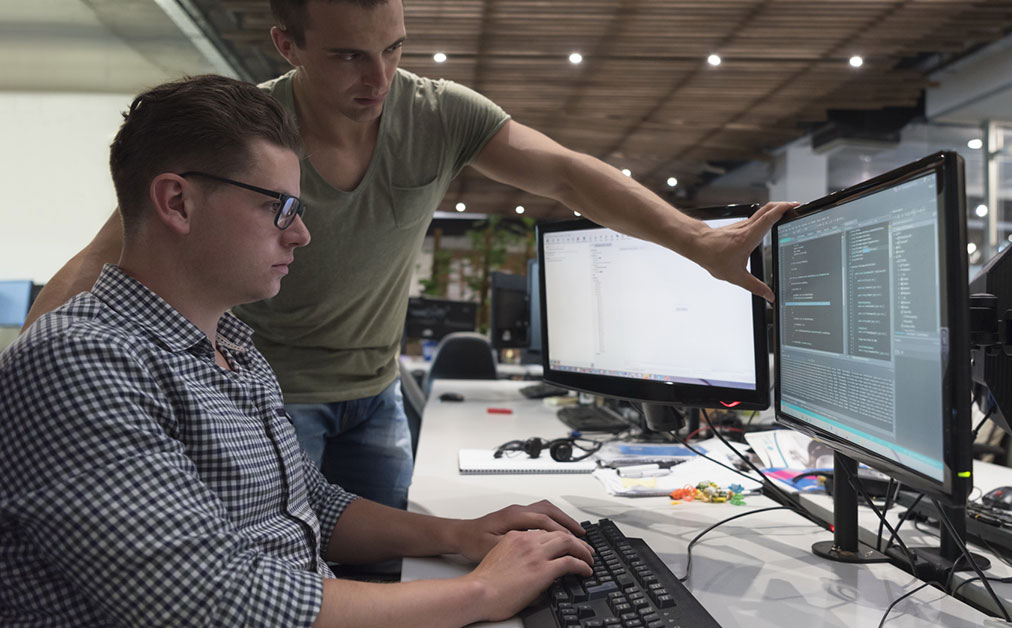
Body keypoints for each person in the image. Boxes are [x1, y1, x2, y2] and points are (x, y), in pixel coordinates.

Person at [24, 0, 796, 511]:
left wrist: (698, 241)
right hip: (269, 398)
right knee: (284, 578)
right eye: (350, 57)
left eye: (394, 49)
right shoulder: (250, 134)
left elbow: (564, 171)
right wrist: (30, 377)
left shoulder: (437, 115)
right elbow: (110, 252)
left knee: (387, 566)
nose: (380, 78)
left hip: (376, 393)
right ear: (288, 45)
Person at [0, 74, 592, 627]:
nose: (301, 234)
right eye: (277, 206)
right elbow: (211, 599)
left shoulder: (231, 348)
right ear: (177, 202)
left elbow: (308, 503)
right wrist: (482, 592)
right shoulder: (80, 360)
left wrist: (462, 534)